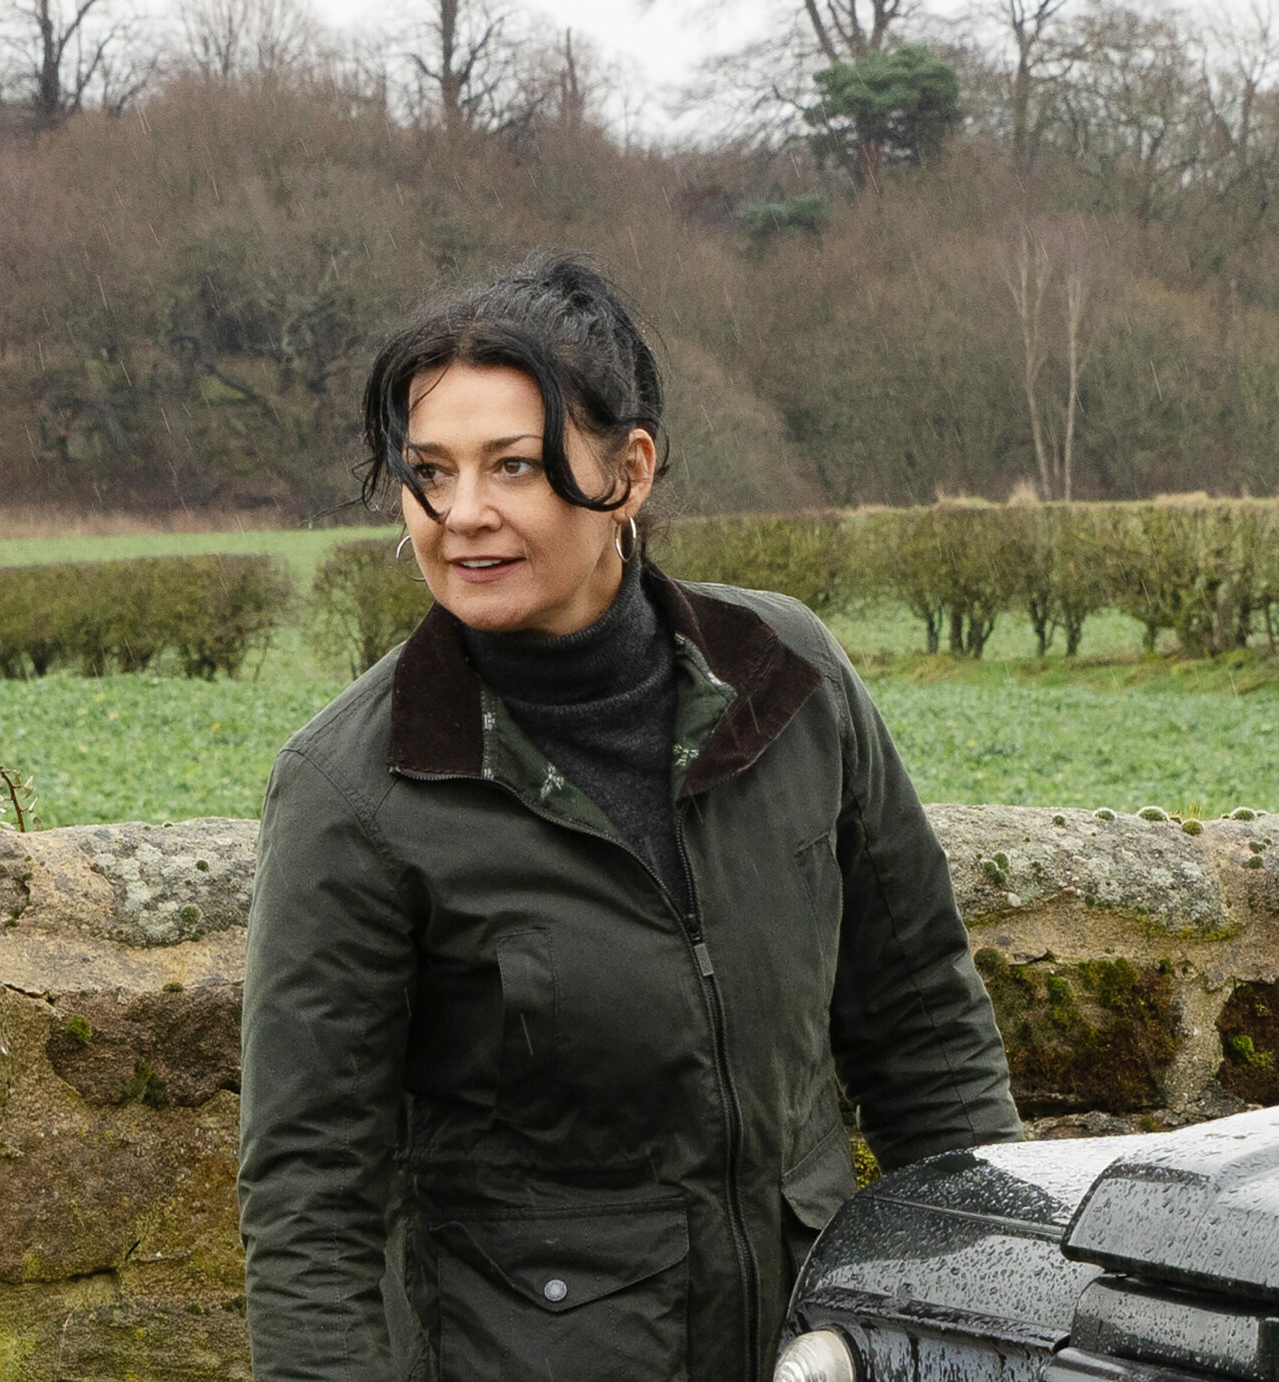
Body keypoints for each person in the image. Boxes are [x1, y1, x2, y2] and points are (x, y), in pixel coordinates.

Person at [238, 254, 1022, 1382]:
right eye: (430, 472)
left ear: (630, 468)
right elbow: (311, 1195)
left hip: (810, 1350)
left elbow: (926, 1035)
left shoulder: (792, 680)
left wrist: (983, 1317)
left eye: (513, 465)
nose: (462, 514)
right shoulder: (357, 789)